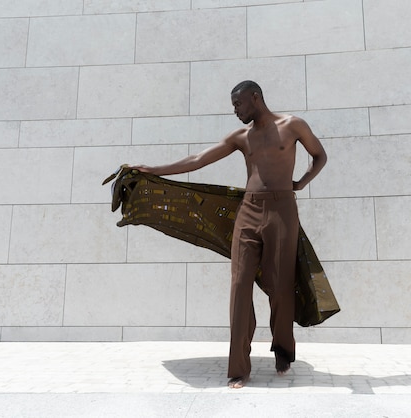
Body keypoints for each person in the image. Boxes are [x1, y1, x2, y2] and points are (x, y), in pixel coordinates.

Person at [131, 80, 327, 389]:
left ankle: (283, 351)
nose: (234, 110)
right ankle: (239, 368)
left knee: (281, 286)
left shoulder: (293, 125)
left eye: (238, 104)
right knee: (239, 286)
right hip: (248, 213)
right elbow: (198, 160)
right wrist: (154, 170)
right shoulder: (241, 137)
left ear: (255, 97)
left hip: (283, 212)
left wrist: (301, 183)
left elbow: (320, 156)